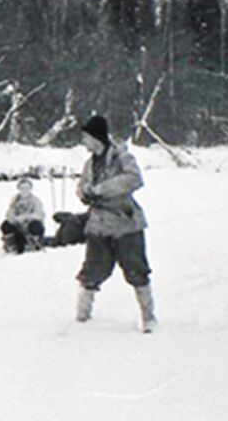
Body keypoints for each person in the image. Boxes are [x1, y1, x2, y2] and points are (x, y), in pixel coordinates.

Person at [74, 115, 157, 333]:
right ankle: (82, 317)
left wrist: (101, 189)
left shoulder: (122, 157)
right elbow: (81, 185)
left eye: (85, 137)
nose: (83, 142)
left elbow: (134, 179)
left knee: (137, 271)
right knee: (91, 272)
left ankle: (148, 318)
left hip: (125, 224)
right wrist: (84, 192)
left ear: (96, 138)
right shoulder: (89, 163)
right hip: (98, 226)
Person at [0, 178, 45, 253]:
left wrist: (27, 217)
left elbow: (40, 214)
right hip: (17, 225)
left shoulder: (35, 200)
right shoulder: (14, 200)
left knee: (36, 225)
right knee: (5, 225)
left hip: (30, 224)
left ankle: (34, 242)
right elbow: (9, 214)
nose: (24, 190)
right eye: (22, 188)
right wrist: (15, 219)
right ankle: (11, 244)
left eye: (26, 188)